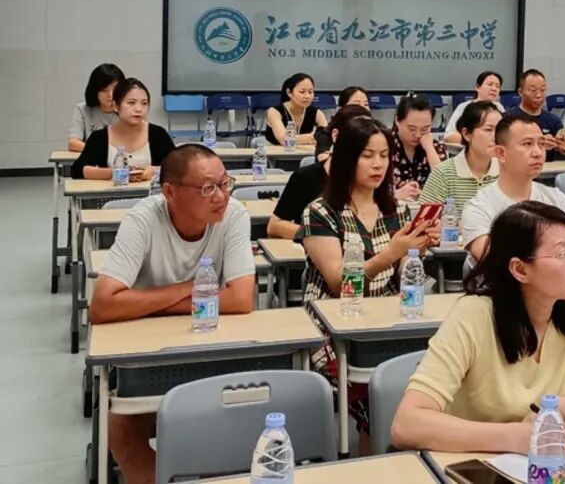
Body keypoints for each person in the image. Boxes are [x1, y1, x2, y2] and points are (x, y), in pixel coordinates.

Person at [391, 201, 565, 453]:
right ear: (520, 269)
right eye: (562, 254)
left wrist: (556, 406)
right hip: (474, 466)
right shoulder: (473, 315)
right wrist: (513, 437)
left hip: (549, 464)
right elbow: (407, 424)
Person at [89, 145, 255, 484]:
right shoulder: (143, 220)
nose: (221, 196)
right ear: (170, 192)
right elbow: (102, 306)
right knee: (121, 432)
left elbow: (241, 299)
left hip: (213, 344)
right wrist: (189, 288)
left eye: (225, 183)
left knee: (241, 424)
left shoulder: (234, 214)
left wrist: (146, 303)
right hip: (146, 351)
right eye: (207, 188)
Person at [300, 117, 440, 374]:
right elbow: (339, 285)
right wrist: (391, 253)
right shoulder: (320, 212)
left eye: (384, 156)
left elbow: (402, 273)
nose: (378, 164)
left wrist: (414, 252)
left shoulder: (397, 209)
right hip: (334, 322)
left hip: (385, 313)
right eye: (367, 155)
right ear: (346, 159)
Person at [461, 113, 565, 293]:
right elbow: (497, 262)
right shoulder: (478, 207)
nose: (538, 153)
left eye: (541, 144)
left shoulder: (556, 198)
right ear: (501, 153)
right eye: (527, 144)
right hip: (501, 297)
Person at [268, 104, 371, 240]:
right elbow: (274, 226)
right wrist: (319, 235)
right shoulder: (306, 178)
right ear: (336, 135)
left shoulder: (372, 179)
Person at [72, 78, 175, 181]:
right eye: (131, 103)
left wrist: (155, 170)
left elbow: (177, 167)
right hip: (112, 191)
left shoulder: (158, 134)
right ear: (116, 106)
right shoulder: (99, 137)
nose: (138, 109)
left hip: (150, 191)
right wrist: (114, 172)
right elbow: (77, 170)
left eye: (144, 103)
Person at [419, 101, 501, 207]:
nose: (496, 137)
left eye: (500, 130)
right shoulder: (443, 173)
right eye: (488, 129)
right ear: (466, 134)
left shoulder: (508, 171)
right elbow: (425, 216)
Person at [505, 69, 565, 162]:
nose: (538, 95)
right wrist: (537, 143)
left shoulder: (553, 120)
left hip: (546, 168)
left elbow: (562, 155)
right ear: (520, 92)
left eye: (542, 90)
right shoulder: (507, 118)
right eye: (533, 90)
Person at [390, 93, 447, 201]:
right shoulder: (385, 146)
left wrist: (429, 148)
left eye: (425, 129)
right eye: (412, 129)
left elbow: (444, 184)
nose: (418, 135)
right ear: (397, 121)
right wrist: (395, 195)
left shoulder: (435, 147)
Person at [68, 62, 125, 152]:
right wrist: (102, 150)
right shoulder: (82, 110)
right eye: (104, 90)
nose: (110, 95)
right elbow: (73, 143)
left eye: (115, 90)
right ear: (95, 91)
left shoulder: (128, 110)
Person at [264, 72, 327, 146]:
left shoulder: (317, 113)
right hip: (274, 151)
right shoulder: (274, 112)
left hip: (304, 151)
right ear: (289, 93)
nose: (307, 96)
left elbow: (326, 136)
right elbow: (284, 140)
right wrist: (311, 137)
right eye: (302, 92)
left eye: (310, 92)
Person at [444, 71, 504, 145]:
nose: (494, 89)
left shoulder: (500, 108)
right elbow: (449, 136)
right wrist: (477, 142)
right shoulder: (464, 107)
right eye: (490, 84)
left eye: (497, 86)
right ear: (477, 87)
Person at [314, 86, 370, 159]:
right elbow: (322, 158)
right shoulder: (326, 134)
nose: (363, 108)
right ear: (341, 108)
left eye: (366, 104)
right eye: (356, 104)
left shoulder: (376, 131)